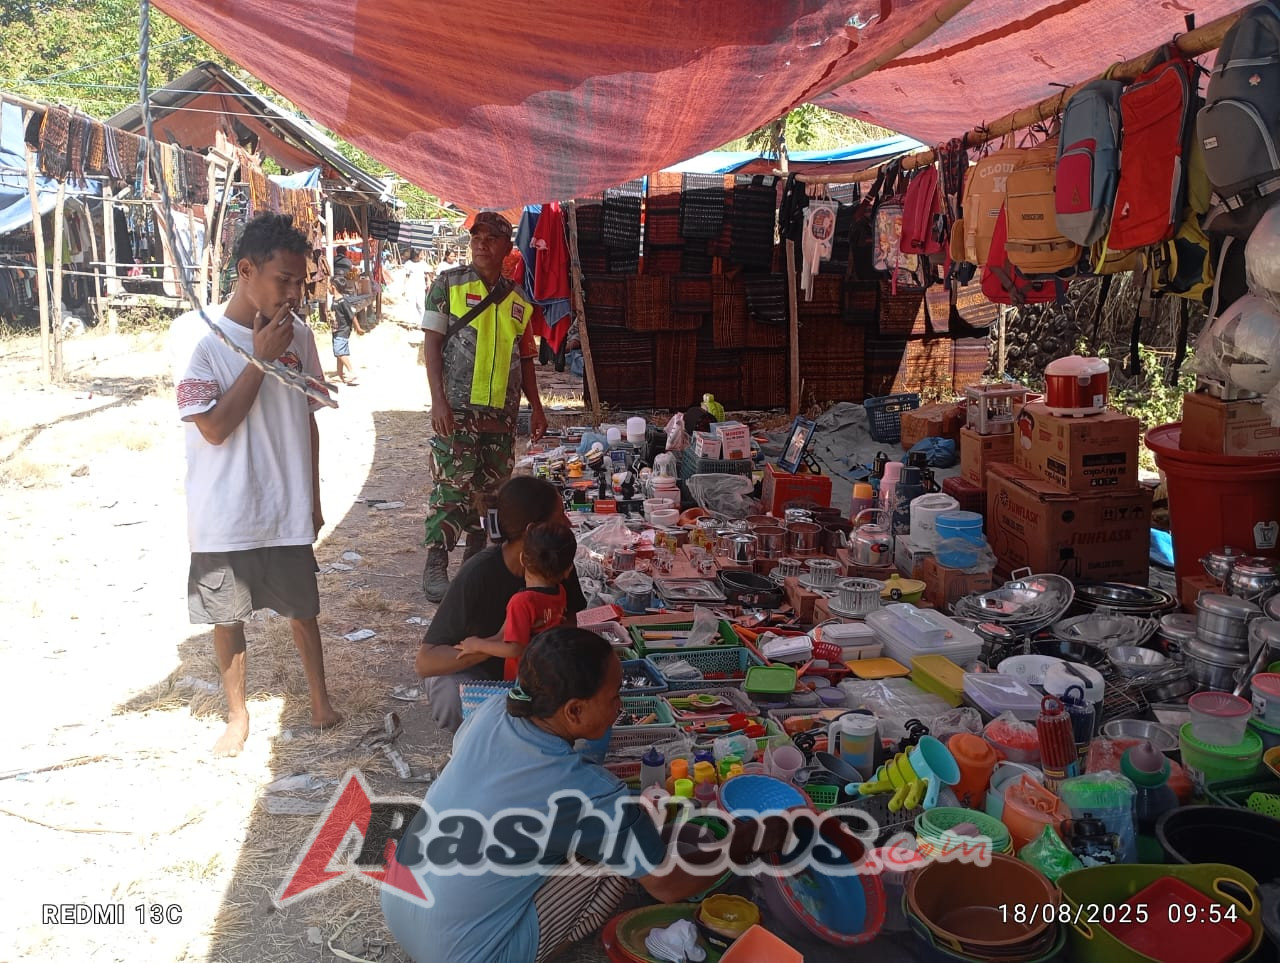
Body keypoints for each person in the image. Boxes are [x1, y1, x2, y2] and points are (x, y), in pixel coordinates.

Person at [382, 628, 719, 963]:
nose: (620, 705)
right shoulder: (592, 793)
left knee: (598, 838)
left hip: (401, 902)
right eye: (614, 695)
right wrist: (744, 844)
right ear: (573, 711)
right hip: (462, 955)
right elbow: (667, 886)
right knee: (616, 861)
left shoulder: (493, 711)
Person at [171, 212, 341, 757]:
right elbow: (216, 428)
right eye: (283, 280)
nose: (294, 293)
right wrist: (260, 361)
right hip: (224, 510)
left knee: (303, 608)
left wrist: (313, 498)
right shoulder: (201, 341)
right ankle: (237, 717)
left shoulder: (303, 337)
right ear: (246, 270)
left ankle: (320, 700)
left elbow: (307, 417)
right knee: (227, 617)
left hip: (285, 503)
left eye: (300, 282)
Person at [420, 212, 548, 602]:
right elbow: (432, 345)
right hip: (457, 411)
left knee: (489, 495)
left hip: (500, 416)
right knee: (450, 488)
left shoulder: (519, 301)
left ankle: (471, 569)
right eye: (476, 237)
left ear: (508, 248)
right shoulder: (448, 284)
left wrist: (537, 408)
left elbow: (525, 359)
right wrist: (437, 401)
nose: (480, 244)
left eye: (491, 238)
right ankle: (436, 564)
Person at [415, 475, 584, 731]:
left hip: (531, 673)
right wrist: (499, 644)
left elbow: (570, 620)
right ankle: (471, 744)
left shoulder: (556, 562)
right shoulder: (479, 574)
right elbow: (426, 662)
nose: (568, 523)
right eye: (560, 515)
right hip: (481, 676)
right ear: (532, 530)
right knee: (449, 691)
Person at [456, 521, 578, 681]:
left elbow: (514, 649)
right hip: (548, 674)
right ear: (568, 570)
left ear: (522, 558)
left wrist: (476, 645)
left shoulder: (522, 602)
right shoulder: (560, 592)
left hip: (522, 681)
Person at [400, 249, 429, 323]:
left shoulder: (423, 263)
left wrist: (428, 284)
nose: (422, 255)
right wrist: (404, 288)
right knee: (411, 304)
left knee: (421, 305)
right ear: (416, 255)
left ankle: (423, 322)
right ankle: (412, 322)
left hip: (420, 287)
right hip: (411, 287)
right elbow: (406, 277)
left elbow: (427, 275)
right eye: (421, 254)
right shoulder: (408, 263)